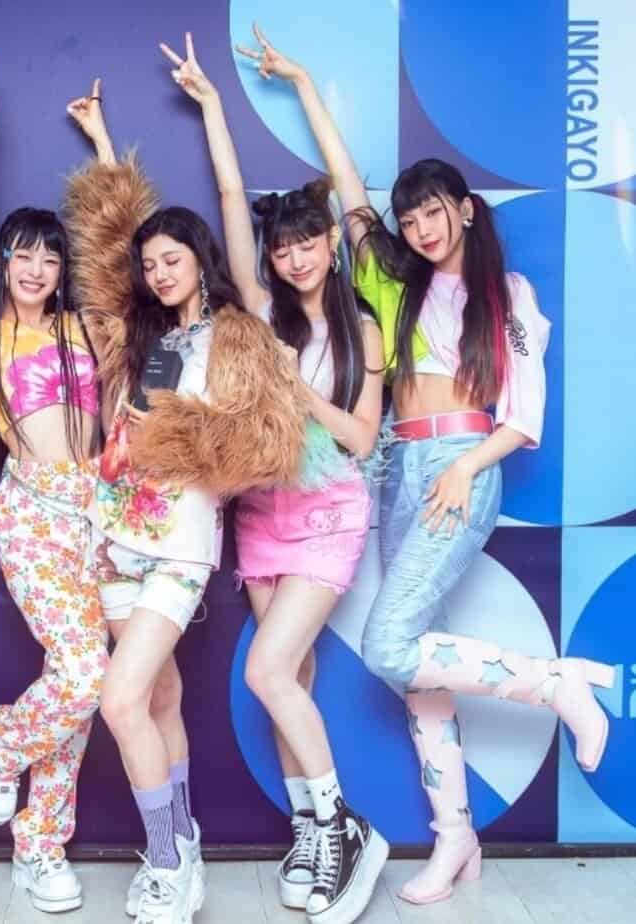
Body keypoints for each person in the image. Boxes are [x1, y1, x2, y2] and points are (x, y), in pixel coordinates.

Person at [236, 22, 614, 907]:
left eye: (433, 211)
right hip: (394, 469)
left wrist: (465, 467)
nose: (419, 227)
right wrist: (303, 85)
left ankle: (559, 684)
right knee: (414, 670)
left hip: (458, 463)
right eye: (408, 218)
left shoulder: (506, 295)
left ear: (466, 209)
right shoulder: (394, 282)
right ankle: (455, 837)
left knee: (389, 645)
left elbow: (524, 415)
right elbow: (348, 194)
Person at [64, 80, 308, 924]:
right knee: (159, 700)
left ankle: (167, 862)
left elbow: (262, 448)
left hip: (178, 544)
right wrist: (103, 144)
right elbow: (108, 245)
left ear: (201, 259)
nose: (158, 272)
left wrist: (174, 437)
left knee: (121, 700)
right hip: (112, 535)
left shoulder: (237, 336)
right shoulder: (142, 336)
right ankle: (185, 847)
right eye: (150, 264)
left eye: (172, 259)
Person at [160, 31, 388, 924]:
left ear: (330, 243)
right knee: (289, 675)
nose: (294, 260)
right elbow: (228, 198)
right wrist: (214, 105)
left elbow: (361, 437)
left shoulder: (361, 325)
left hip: (329, 512)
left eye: (306, 244)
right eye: (281, 248)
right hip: (260, 517)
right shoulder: (257, 312)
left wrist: (299, 393)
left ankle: (345, 828)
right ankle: (311, 831)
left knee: (265, 672)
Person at [0, 53, 107, 915]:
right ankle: (0, 742)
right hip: (33, 511)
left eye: (50, 257)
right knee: (83, 676)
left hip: (99, 515)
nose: (36, 268)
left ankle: (40, 846)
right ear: (4, 261)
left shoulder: (84, 326)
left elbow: (125, 245)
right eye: (24, 254)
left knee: (77, 680)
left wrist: (102, 143)